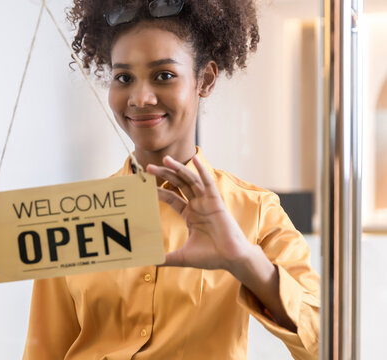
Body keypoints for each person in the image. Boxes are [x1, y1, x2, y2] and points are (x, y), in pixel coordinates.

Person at [24, 0, 320, 359]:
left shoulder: (256, 211)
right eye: (124, 78)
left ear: (205, 79)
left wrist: (246, 261)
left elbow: (327, 345)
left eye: (164, 75)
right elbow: (44, 350)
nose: (141, 98)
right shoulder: (73, 217)